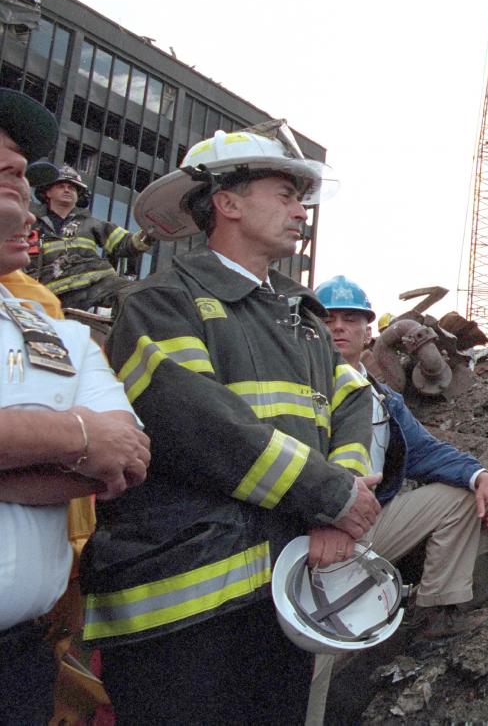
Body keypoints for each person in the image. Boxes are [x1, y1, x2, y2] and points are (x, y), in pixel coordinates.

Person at [80, 127, 380, 723]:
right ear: (228, 201)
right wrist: (332, 495)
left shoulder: (302, 319)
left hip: (281, 597)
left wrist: (340, 515)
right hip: (181, 611)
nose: (301, 211)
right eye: (285, 194)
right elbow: (197, 424)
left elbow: (356, 406)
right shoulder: (160, 302)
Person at [0, 88, 150, 724]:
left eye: (23, 170)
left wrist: (25, 455)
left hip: (18, 660)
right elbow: (96, 444)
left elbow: (125, 456)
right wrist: (80, 440)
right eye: (4, 161)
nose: (23, 177)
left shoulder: (53, 329)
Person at [308, 276, 488, 724]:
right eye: (327, 318)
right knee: (312, 650)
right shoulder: (297, 385)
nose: (338, 328)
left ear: (367, 332)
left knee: (457, 496)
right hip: (311, 537)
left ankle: (439, 609)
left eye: (350, 319)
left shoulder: (380, 395)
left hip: (367, 523)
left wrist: (481, 474)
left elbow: (424, 451)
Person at [26, 162, 152, 311]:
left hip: (96, 285)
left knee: (138, 296)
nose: (67, 190)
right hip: (50, 296)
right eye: (61, 186)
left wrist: (151, 231)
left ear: (78, 196)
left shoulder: (92, 224)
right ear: (47, 193)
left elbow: (126, 244)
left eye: (72, 188)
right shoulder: (30, 224)